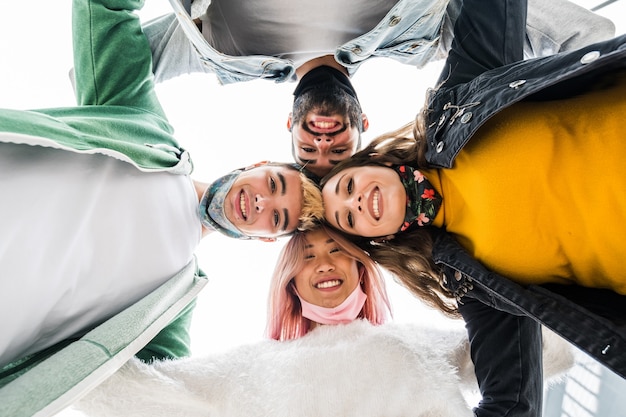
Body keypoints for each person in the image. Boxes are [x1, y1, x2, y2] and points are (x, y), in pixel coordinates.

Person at [317, 0, 626, 414]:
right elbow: (513, 402)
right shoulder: (472, 285)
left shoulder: (453, 107)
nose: (357, 200)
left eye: (348, 185)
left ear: (373, 163)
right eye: (349, 217)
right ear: (379, 238)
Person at [0, 0, 322, 370]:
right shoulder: (144, 128)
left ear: (265, 238)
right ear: (255, 165)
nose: (262, 201)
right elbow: (105, 12)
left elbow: (165, 392)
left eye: (278, 218)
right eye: (272, 183)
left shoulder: (174, 300)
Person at [143, 0, 615, 178]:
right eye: (340, 150)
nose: (324, 143)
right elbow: (583, 36)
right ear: (363, 124)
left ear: (290, 124)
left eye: (308, 150)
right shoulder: (420, 41)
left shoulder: (227, 52)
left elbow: (105, 66)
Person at [266, 224, 392, 341]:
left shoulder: (395, 349)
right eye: (308, 256)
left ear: (360, 270)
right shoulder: (267, 362)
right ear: (292, 286)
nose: (325, 265)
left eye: (335, 250)